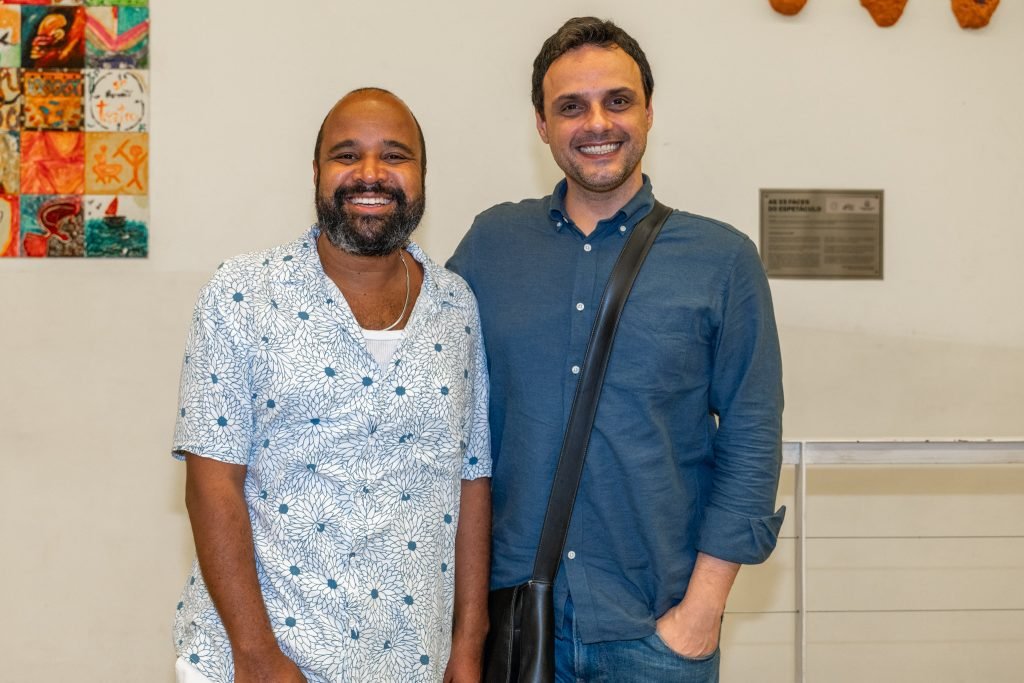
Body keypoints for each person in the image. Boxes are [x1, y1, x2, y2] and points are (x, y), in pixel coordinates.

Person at [448, 17, 784, 682]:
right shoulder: (491, 244)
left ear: (650, 111)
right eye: (570, 106)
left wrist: (700, 614)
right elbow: (431, 397)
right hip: (515, 621)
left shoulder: (722, 261)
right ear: (541, 125)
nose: (597, 122)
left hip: (655, 630)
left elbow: (751, 438)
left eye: (618, 100)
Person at [171, 88, 491, 683]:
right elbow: (211, 485)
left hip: (410, 660)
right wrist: (259, 655)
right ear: (316, 172)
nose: (370, 173)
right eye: (347, 155)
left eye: (395, 156)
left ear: (422, 174)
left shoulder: (456, 306)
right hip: (263, 657)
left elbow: (471, 479)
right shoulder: (241, 295)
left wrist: (468, 645)